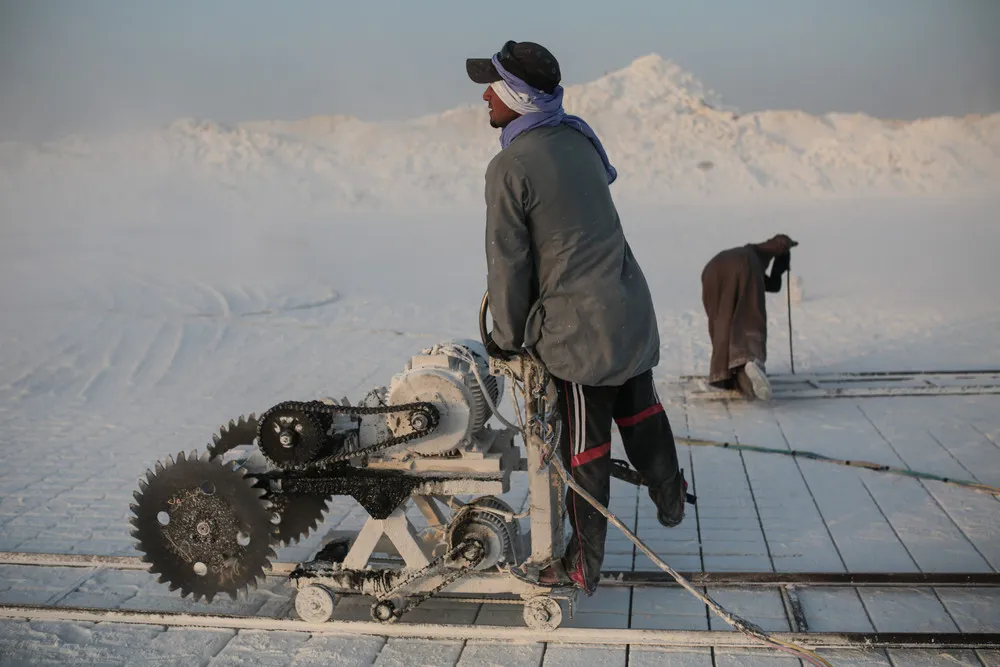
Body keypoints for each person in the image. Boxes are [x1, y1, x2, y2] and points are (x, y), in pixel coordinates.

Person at [466, 40, 690, 594]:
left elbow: (508, 264)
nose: (485, 99)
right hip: (628, 307)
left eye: (491, 88)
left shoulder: (510, 164)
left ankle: (582, 565)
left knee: (585, 448)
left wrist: (507, 339)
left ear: (516, 98)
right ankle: (670, 497)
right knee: (640, 409)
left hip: (581, 330)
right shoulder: (578, 137)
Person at [700, 234, 798, 401]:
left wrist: (778, 267)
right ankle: (749, 361)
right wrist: (782, 262)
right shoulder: (752, 257)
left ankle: (722, 372)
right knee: (750, 315)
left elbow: (771, 284)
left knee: (722, 320)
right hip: (743, 265)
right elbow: (774, 282)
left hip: (711, 269)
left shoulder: (749, 253)